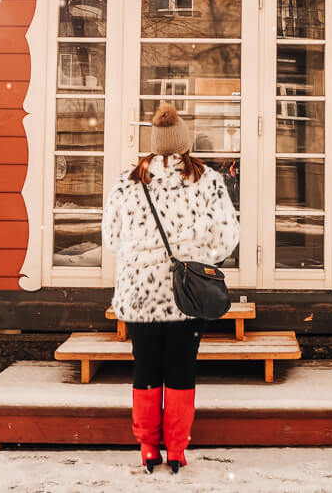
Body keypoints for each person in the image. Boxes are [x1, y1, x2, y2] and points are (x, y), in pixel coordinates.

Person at [101, 102, 240, 473]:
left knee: (145, 368)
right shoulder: (207, 180)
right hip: (188, 294)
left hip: (140, 292)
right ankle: (177, 449)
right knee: (181, 369)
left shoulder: (126, 182)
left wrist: (141, 254)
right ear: (184, 143)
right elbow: (227, 237)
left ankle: (148, 447)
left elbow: (112, 239)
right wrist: (197, 254)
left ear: (153, 143)